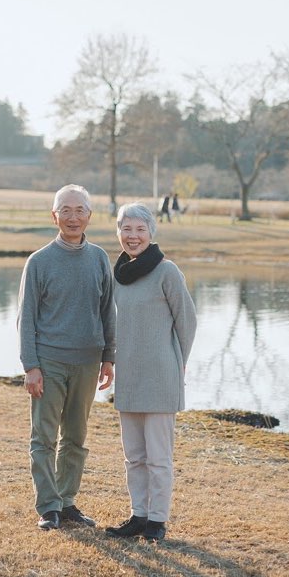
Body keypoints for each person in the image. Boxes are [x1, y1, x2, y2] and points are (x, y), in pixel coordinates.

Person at [17, 184, 116, 531]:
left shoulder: (100, 258)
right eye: (66, 210)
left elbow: (108, 311)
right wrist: (31, 366)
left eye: (80, 210)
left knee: (75, 436)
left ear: (90, 215)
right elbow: (26, 318)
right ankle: (48, 507)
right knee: (43, 437)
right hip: (49, 361)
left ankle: (67, 502)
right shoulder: (39, 261)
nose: (73, 217)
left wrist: (109, 357)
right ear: (54, 216)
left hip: (88, 361)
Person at [106, 202, 196, 542]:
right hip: (129, 375)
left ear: (150, 234)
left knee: (159, 457)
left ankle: (157, 520)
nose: (133, 236)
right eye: (126, 229)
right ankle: (138, 515)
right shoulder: (119, 274)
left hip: (161, 375)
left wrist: (178, 360)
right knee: (134, 456)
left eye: (139, 230)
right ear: (119, 233)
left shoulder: (167, 272)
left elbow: (187, 320)